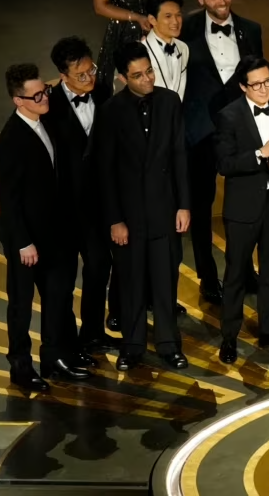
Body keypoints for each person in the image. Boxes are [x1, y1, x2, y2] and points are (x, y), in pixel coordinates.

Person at [0, 64, 91, 391]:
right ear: (17, 101)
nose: (43, 98)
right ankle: (21, 368)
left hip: (56, 233)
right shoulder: (10, 140)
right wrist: (23, 242)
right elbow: (9, 199)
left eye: (44, 91)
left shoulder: (48, 122)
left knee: (58, 297)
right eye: (35, 96)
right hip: (24, 239)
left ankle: (53, 359)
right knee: (21, 306)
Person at [97, 43, 190, 371]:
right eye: (137, 75)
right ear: (123, 78)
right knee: (132, 282)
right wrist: (115, 220)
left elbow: (179, 155)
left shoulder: (170, 101)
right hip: (130, 216)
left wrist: (184, 205)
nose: (147, 78)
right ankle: (132, 345)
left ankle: (169, 344)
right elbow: (104, 171)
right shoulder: (110, 111)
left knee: (165, 281)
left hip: (165, 208)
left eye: (149, 70)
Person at [182, 0, 263, 305]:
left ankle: (243, 270)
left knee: (242, 206)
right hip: (199, 133)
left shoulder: (250, 30)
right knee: (201, 208)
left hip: (241, 132)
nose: (222, 1)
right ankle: (207, 276)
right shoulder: (183, 30)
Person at [214, 57, 269, 364]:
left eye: (267, 82)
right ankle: (229, 337)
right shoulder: (229, 116)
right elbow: (224, 164)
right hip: (242, 209)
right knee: (236, 274)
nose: (264, 89)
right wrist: (260, 154)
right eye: (256, 84)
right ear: (242, 86)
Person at [44, 37, 120, 349]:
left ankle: (93, 333)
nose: (89, 78)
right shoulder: (49, 107)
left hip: (98, 205)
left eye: (91, 70)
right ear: (63, 76)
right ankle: (66, 345)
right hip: (64, 209)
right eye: (81, 75)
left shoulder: (103, 92)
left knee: (100, 266)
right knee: (62, 281)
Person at [142, 0, 189, 99]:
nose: (175, 21)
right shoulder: (141, 51)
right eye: (168, 16)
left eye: (178, 15)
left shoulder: (183, 48)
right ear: (152, 20)